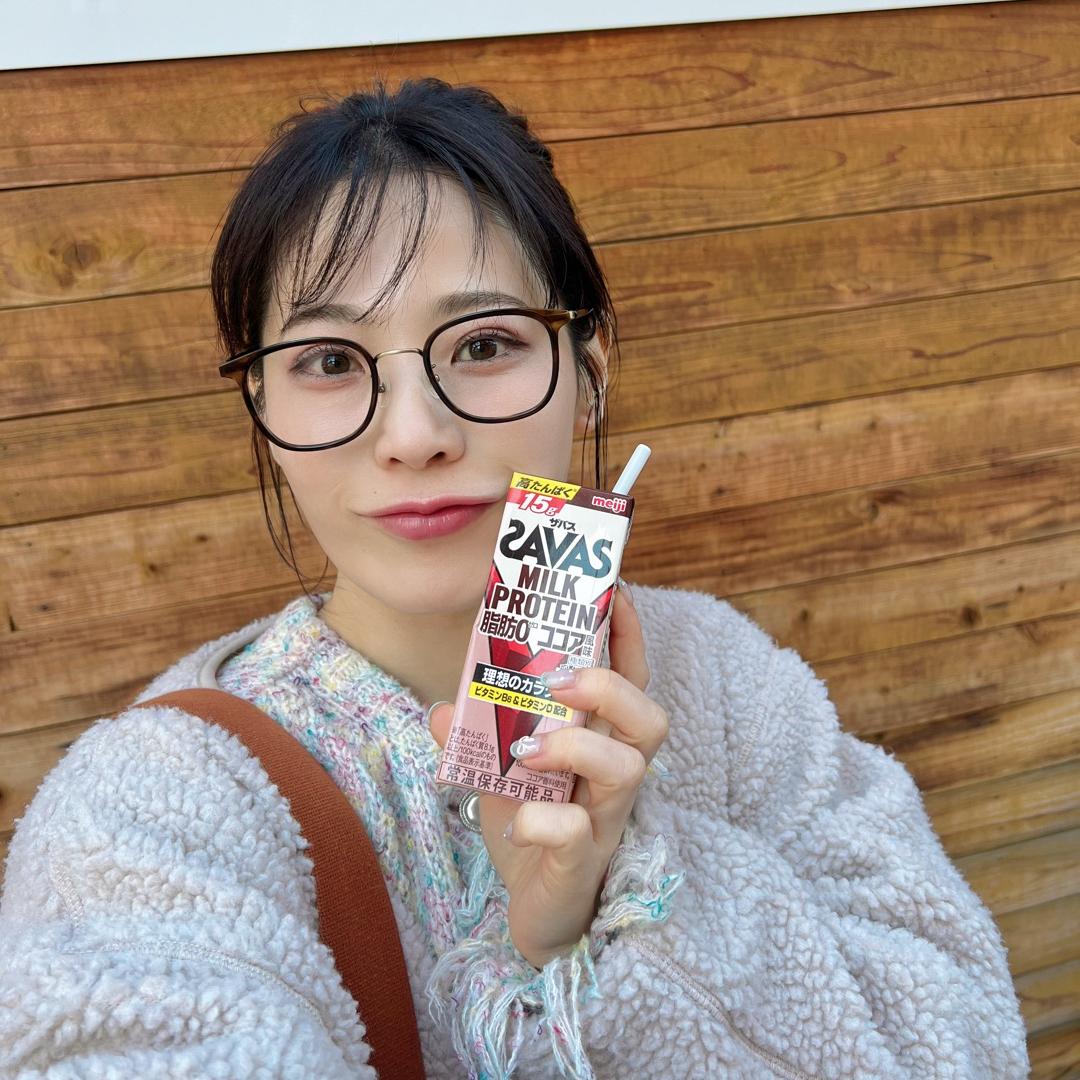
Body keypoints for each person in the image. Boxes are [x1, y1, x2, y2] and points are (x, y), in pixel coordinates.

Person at [0, 79, 1028, 1079]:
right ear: (261, 406)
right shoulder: (157, 806)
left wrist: (618, 897)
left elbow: (959, 1037)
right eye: (329, 361)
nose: (414, 435)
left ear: (590, 368)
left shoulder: (727, 682)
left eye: (485, 342)